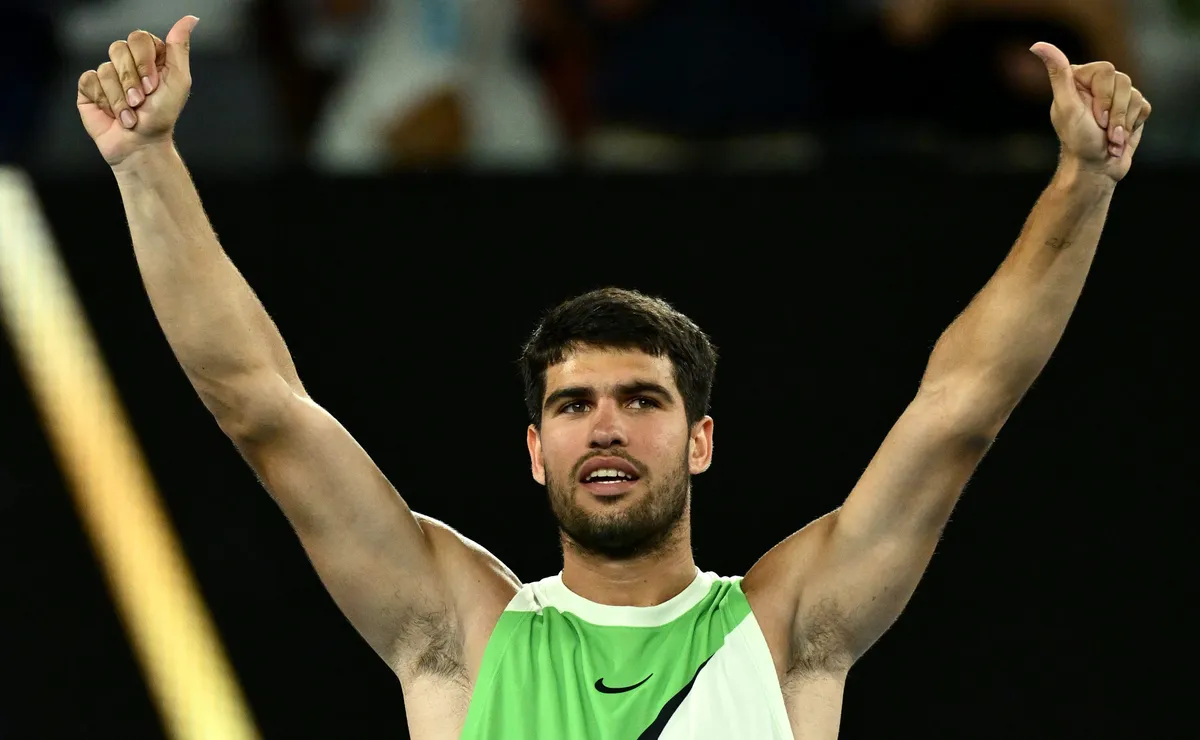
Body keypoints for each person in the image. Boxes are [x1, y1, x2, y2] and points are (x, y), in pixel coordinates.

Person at [75, 16, 1151, 739]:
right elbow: (260, 405)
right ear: (535, 447)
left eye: (643, 400)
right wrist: (143, 163)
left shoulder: (787, 628)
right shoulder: (460, 631)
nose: (605, 427)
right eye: (572, 404)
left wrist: (1084, 182)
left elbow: (960, 410)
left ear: (700, 440)